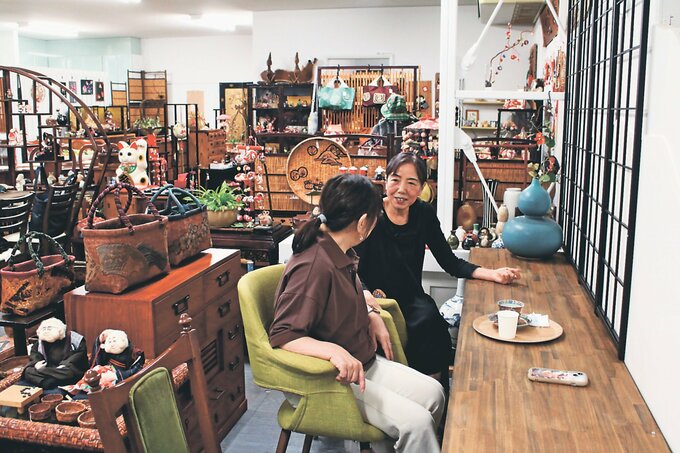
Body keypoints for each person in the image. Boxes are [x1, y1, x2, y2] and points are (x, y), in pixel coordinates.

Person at [269, 174, 445, 453]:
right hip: (326, 378)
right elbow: (283, 334)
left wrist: (370, 312)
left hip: (360, 362)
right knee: (417, 423)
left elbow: (342, 295)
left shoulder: (338, 250)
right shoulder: (314, 265)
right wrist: (333, 351)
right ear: (363, 222)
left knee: (435, 393)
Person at [356, 152, 521, 385]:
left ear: (422, 187)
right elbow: (351, 266)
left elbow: (449, 261)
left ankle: (437, 395)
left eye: (411, 183)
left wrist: (492, 274)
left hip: (412, 299)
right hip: (374, 300)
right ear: (386, 181)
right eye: (395, 180)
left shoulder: (424, 214)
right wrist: (364, 295)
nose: (401, 189)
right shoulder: (370, 213)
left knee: (432, 324)